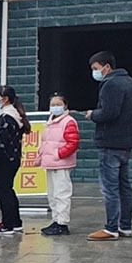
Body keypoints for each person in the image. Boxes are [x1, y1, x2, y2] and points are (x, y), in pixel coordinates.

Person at [84, 51, 132, 241]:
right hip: (126, 142)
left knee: (110, 188)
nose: (94, 72)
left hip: (110, 142)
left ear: (107, 67)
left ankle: (111, 228)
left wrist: (93, 114)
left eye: (96, 68)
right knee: (124, 186)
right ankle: (125, 226)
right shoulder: (130, 82)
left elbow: (109, 112)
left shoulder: (110, 84)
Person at [0, 85, 32, 236]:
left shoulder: (7, 118)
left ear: (5, 99)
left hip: (3, 161)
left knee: (3, 193)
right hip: (12, 159)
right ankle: (15, 222)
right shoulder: (13, 115)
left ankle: (8, 224)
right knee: (8, 191)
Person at [35, 92, 79, 236]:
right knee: (53, 194)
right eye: (52, 104)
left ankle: (62, 223)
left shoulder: (68, 121)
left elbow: (73, 143)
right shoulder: (51, 121)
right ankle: (56, 220)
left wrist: (58, 154)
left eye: (58, 104)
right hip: (50, 163)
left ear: (65, 105)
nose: (55, 107)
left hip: (61, 164)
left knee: (62, 193)